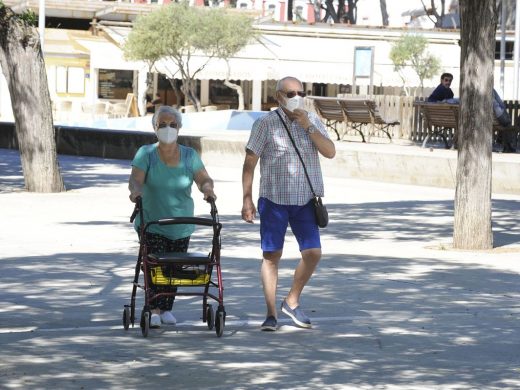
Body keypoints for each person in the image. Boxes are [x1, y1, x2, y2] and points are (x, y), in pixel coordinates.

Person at [241, 76, 336, 331]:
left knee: (313, 253)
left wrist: (309, 126)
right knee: (272, 255)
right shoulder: (265, 124)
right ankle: (271, 314)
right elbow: (250, 162)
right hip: (274, 200)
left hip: (305, 200)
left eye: (300, 92)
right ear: (278, 97)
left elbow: (330, 151)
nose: (296, 97)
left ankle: (291, 300)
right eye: (290, 93)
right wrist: (247, 198)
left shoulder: (312, 120)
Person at [128, 105, 216, 328]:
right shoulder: (146, 153)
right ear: (154, 127)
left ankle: (166, 307)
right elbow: (136, 179)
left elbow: (203, 178)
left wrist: (207, 189)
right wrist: (135, 190)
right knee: (154, 264)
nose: (168, 128)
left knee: (174, 267)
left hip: (181, 222)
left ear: (180, 127)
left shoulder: (189, 155)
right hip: (152, 221)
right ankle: (154, 307)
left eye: (173, 125)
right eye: (163, 124)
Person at [493, 89, 516, 153]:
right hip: (497, 116)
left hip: (494, 119)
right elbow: (497, 106)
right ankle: (507, 146)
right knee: (507, 124)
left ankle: (501, 142)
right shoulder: (491, 90)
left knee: (506, 124)